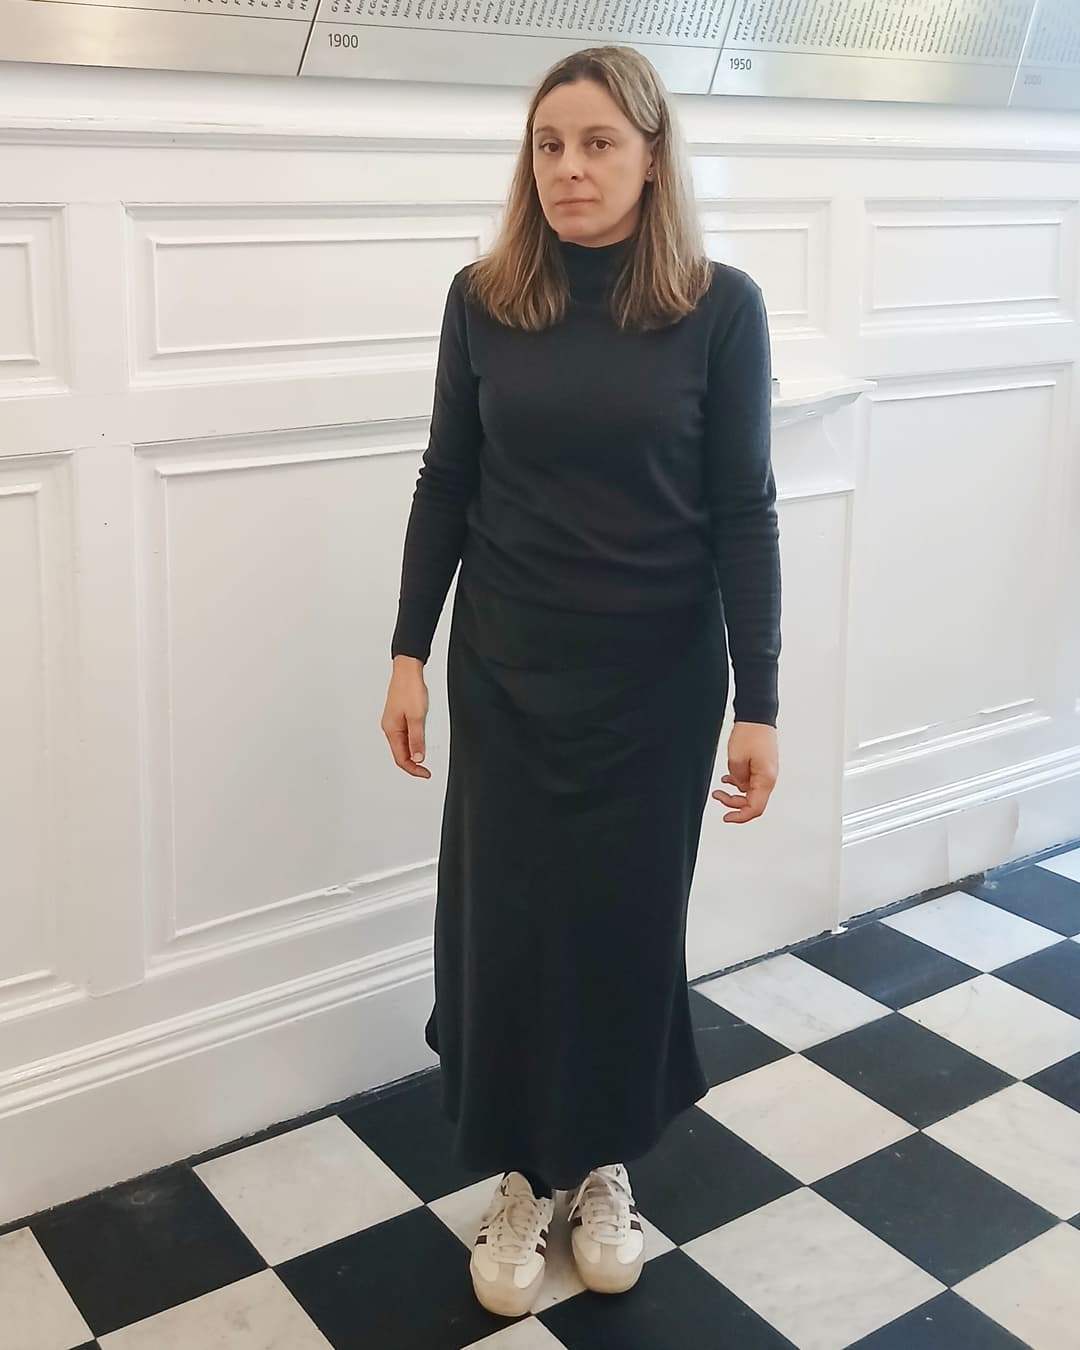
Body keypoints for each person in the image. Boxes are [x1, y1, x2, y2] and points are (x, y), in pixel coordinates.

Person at [381, 45, 781, 1319]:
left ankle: (602, 1167)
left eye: (598, 142)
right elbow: (447, 480)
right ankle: (521, 1174)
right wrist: (407, 652)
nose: (569, 167)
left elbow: (744, 511)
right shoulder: (483, 299)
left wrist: (761, 701)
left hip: (659, 687)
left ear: (652, 157)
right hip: (508, 672)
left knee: (621, 928)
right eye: (549, 144)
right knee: (507, 929)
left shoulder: (720, 308)